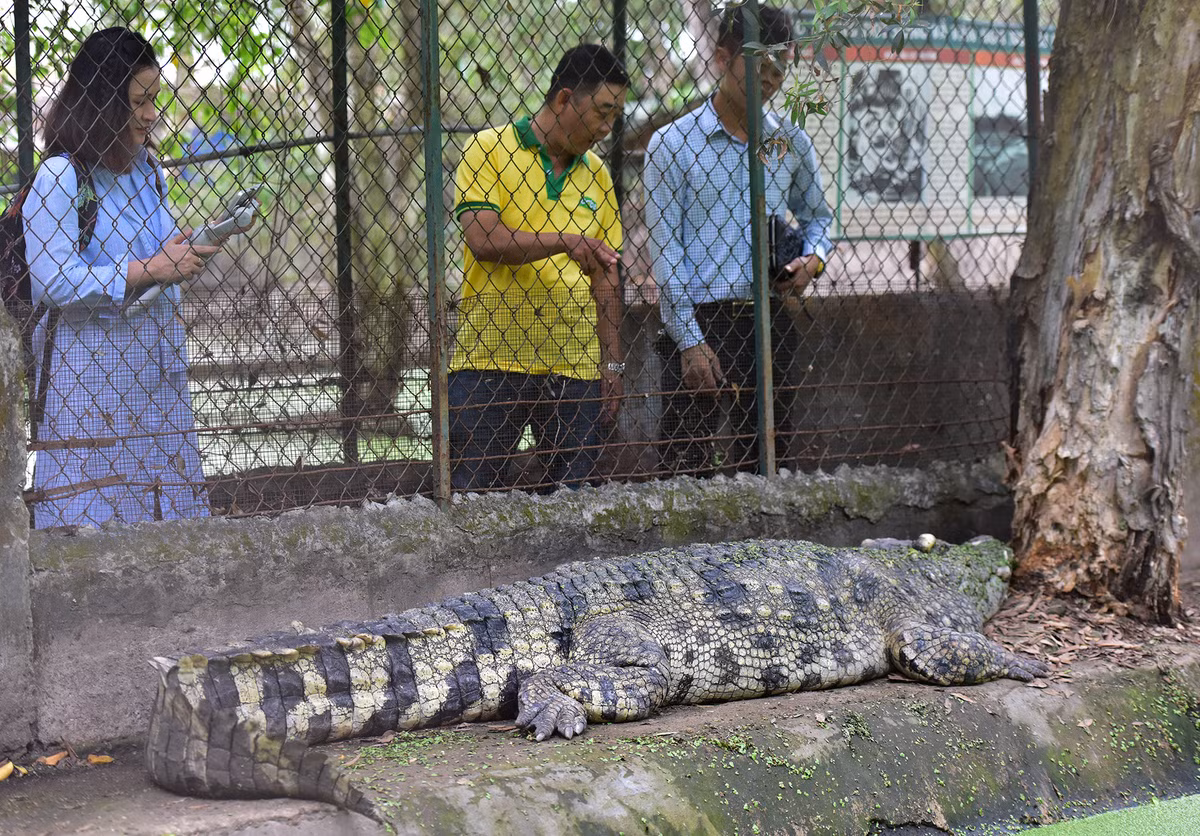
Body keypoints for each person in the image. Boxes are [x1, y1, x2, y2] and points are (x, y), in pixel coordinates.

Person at [23, 27, 220, 527]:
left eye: (154, 99)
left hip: (155, 371)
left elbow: (156, 256)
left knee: (163, 511)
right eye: (138, 102)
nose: (151, 114)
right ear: (102, 103)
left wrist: (180, 254)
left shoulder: (145, 170)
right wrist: (152, 268)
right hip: (89, 378)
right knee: (87, 514)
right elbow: (52, 280)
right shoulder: (61, 178)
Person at [645, 6, 834, 475]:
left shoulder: (790, 143)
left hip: (769, 319)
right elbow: (667, 254)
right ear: (722, 58)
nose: (768, 81)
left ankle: (769, 550)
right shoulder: (672, 145)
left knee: (769, 462)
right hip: (700, 321)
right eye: (758, 67)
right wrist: (689, 341)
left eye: (778, 70)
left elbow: (819, 218)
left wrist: (814, 260)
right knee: (688, 470)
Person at [450, 44, 628, 492]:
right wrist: (566, 242)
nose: (608, 128)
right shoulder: (489, 149)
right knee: (476, 498)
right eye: (603, 112)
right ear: (565, 99)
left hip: (576, 367)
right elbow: (484, 238)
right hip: (491, 359)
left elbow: (608, 276)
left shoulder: (598, 176)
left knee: (573, 507)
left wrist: (613, 366)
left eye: (615, 116)